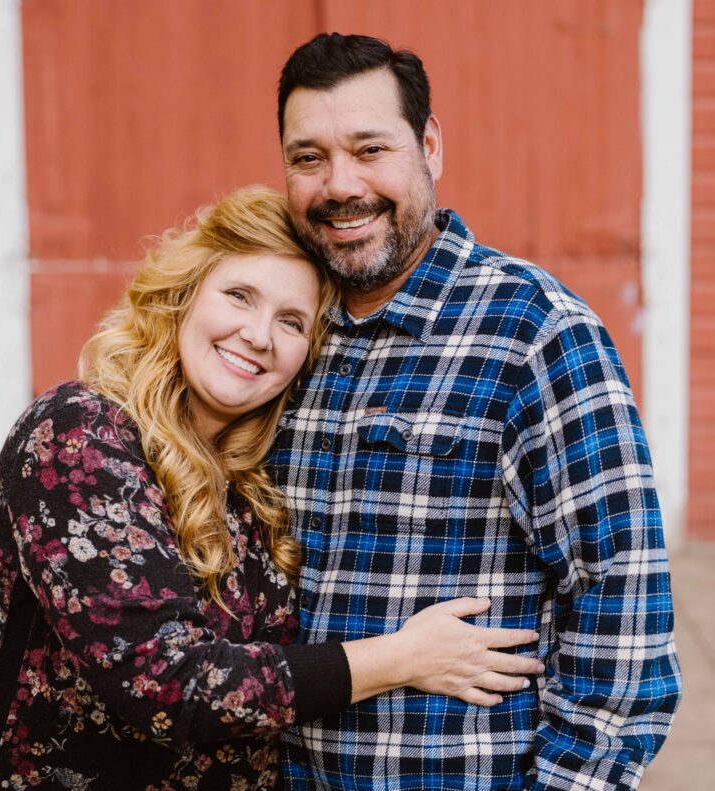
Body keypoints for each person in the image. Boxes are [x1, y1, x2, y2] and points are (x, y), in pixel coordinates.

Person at [0, 186, 543, 791]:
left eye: (292, 321)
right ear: (186, 293)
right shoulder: (79, 433)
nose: (258, 335)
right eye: (240, 295)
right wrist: (404, 658)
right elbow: (166, 683)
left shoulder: (254, 480)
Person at [268, 34, 683, 790]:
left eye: (370, 149)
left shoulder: (536, 333)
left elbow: (622, 609)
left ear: (429, 148)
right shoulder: (280, 333)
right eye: (308, 158)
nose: (339, 184)